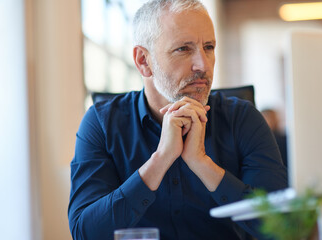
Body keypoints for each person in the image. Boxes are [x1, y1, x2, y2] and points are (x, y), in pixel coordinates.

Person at [68, 0, 287, 239]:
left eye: (209, 47)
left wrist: (202, 163)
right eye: (183, 49)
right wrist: (160, 160)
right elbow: (84, 232)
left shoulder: (243, 119)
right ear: (143, 61)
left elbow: (283, 227)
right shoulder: (101, 124)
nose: (203, 64)